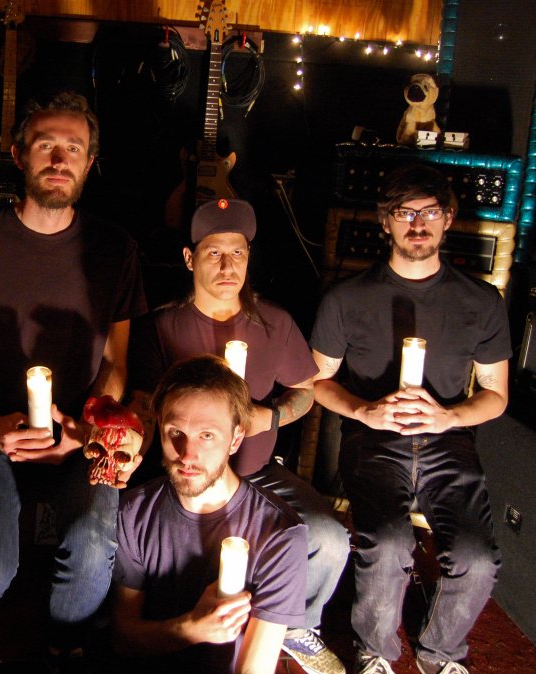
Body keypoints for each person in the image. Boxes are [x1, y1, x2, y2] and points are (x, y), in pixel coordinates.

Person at [0, 91, 147, 667]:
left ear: (90, 162)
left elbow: (116, 362)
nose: (59, 160)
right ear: (18, 154)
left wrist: (88, 429)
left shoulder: (116, 250)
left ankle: (64, 646)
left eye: (73, 149)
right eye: (46, 145)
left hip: (78, 431)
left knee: (91, 549)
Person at [128, 198, 349, 674]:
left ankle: (293, 625)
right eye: (214, 253)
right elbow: (145, 404)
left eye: (238, 253)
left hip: (258, 475)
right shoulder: (161, 327)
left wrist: (270, 417)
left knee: (330, 538)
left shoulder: (274, 323)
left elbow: (306, 390)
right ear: (190, 258)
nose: (228, 267)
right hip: (186, 477)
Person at [310, 164, 509, 674]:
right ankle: (375, 650)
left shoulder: (481, 301)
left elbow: (496, 395)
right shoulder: (346, 298)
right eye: (404, 213)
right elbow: (315, 381)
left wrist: (448, 417)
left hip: (448, 443)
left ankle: (440, 652)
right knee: (389, 542)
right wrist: (363, 410)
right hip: (373, 441)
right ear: (385, 222)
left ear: (448, 219)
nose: (418, 224)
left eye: (430, 212)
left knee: (477, 558)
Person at [113, 354, 308, 673]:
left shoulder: (279, 533)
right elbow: (123, 637)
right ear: (159, 427)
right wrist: (192, 629)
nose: (187, 455)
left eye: (207, 435)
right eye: (176, 432)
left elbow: (253, 669)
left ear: (235, 438)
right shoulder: (134, 512)